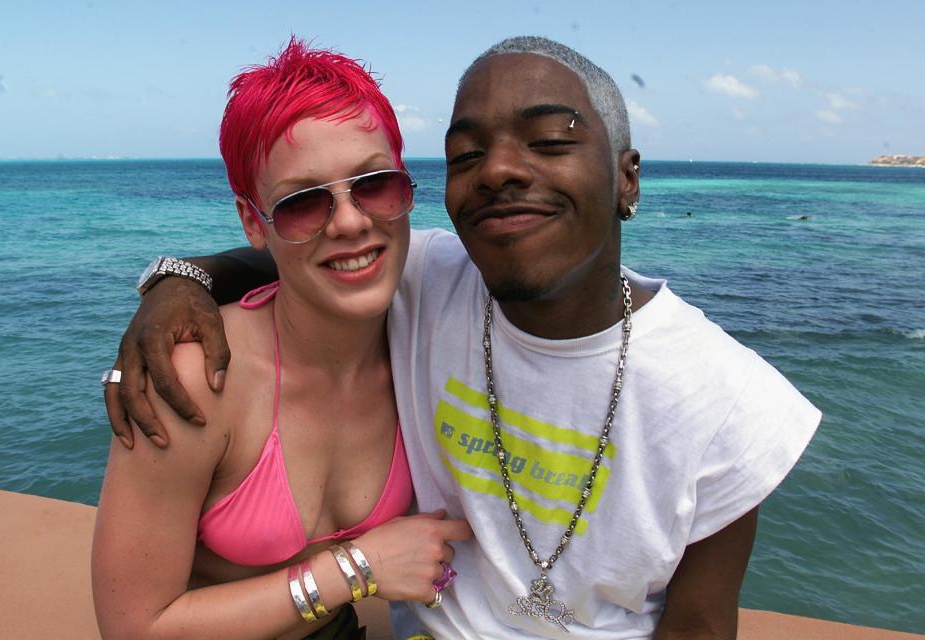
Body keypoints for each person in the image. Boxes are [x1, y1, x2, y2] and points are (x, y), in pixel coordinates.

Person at [106, 37, 821, 639]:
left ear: (628, 179)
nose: (351, 222)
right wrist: (175, 281)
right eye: (467, 156)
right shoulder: (225, 362)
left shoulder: (728, 400)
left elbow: (699, 626)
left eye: (376, 186)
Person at [91, 39, 472, 640]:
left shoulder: (425, 340)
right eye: (302, 203)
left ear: (407, 192)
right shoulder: (197, 379)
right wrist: (358, 568)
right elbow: (133, 626)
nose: (349, 221)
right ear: (253, 222)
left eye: (374, 185)